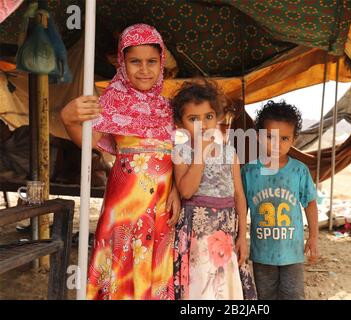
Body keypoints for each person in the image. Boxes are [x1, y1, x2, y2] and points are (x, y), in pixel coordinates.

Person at [60, 24, 180, 300]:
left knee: (155, 263)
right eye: (134, 61)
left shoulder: (170, 107)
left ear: (161, 63)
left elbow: (179, 158)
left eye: (151, 61)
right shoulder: (111, 100)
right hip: (124, 205)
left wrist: (177, 191)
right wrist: (68, 119)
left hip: (161, 206)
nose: (144, 69)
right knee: (120, 261)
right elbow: (88, 141)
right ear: (122, 63)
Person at [171, 80, 256, 300]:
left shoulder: (230, 154)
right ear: (180, 124)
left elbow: (239, 195)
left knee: (223, 288)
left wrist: (242, 237)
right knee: (200, 288)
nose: (203, 125)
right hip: (195, 237)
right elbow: (186, 191)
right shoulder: (181, 153)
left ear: (217, 116)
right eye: (193, 119)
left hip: (225, 233)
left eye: (208, 117)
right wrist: (199, 152)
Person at [241, 100, 319, 300]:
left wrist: (313, 237)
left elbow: (310, 203)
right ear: (258, 136)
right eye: (270, 137)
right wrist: (239, 237)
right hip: (262, 253)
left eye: (284, 138)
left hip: (292, 253)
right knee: (265, 296)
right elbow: (241, 208)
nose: (277, 144)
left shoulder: (299, 170)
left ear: (293, 140)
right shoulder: (249, 171)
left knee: (293, 295)